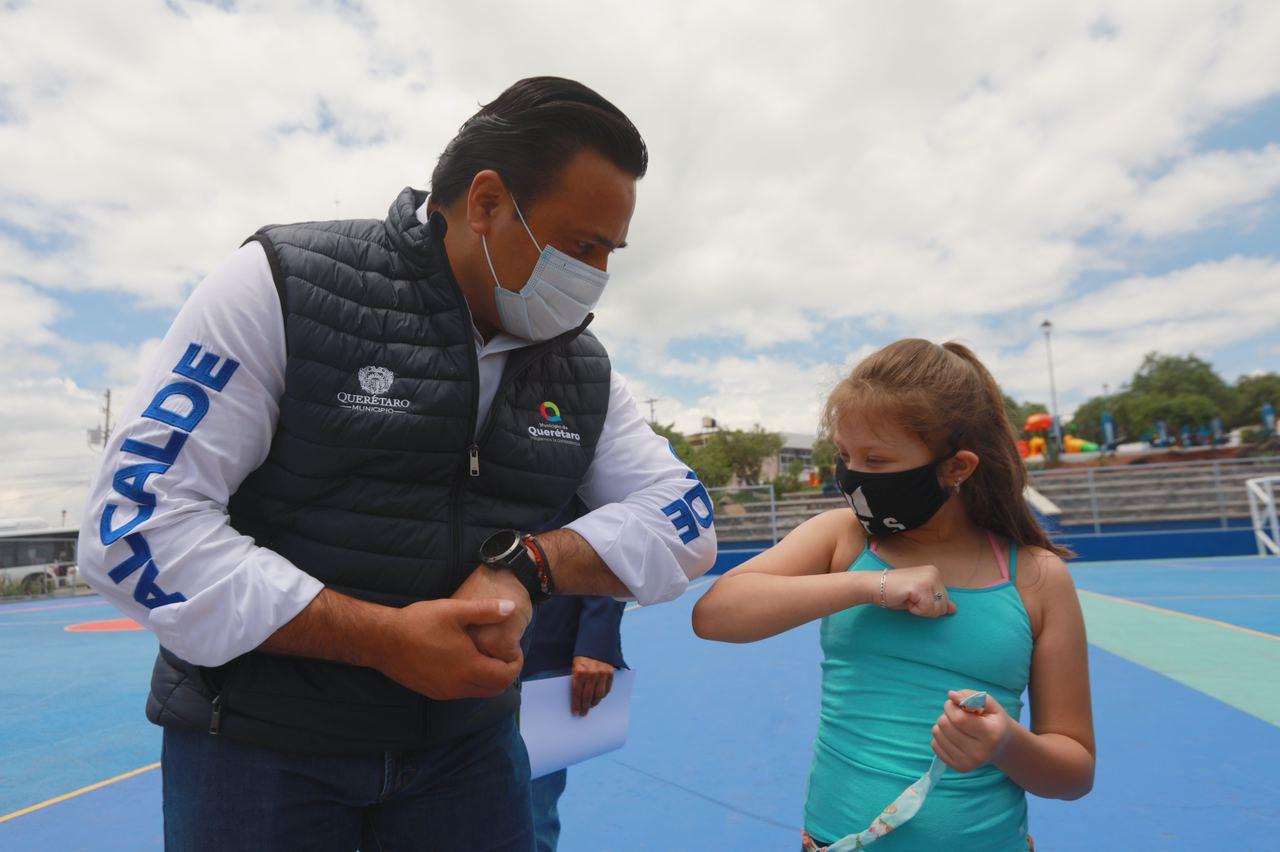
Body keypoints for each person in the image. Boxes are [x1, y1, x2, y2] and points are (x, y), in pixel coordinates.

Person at [77, 76, 717, 851]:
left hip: (470, 752)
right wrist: (381, 638)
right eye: (582, 247)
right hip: (260, 748)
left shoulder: (581, 368)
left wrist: (530, 568)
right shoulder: (283, 284)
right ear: (486, 203)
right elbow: (136, 523)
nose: (597, 277)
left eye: (610, 253)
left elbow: (686, 519)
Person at [692, 339, 1094, 851]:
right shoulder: (845, 538)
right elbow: (715, 614)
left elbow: (1075, 772)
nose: (853, 477)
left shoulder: (1037, 577)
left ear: (957, 467)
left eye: (876, 460)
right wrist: (872, 585)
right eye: (845, 456)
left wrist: (1006, 744)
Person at [523, 590, 626, 852]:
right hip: (450, 648)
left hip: (540, 650)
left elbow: (610, 562)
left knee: (532, 809)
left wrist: (597, 641)